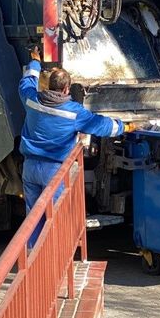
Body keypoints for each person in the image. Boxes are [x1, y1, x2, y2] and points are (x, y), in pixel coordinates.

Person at [18, 46, 130, 215]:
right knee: (55, 219)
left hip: (30, 167)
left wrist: (35, 62)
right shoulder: (73, 112)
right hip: (54, 171)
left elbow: (27, 81)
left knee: (33, 220)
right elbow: (101, 125)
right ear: (66, 89)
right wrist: (124, 127)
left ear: (49, 85)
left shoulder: (31, 100)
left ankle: (33, 243)